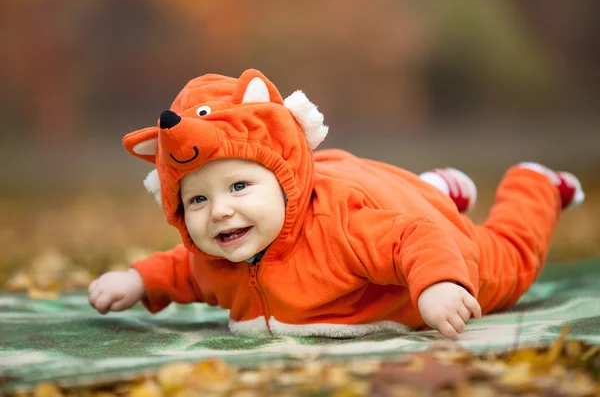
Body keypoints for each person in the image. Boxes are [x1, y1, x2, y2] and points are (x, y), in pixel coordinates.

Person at [88, 69, 585, 340]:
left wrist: (438, 285)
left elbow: (415, 237)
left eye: (239, 187)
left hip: (413, 237)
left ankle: (534, 184)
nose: (218, 211)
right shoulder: (215, 254)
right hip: (370, 190)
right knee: (399, 199)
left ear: (285, 182)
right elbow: (182, 270)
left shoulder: (341, 228)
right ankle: (435, 189)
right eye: (196, 198)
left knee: (509, 261)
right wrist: (135, 280)